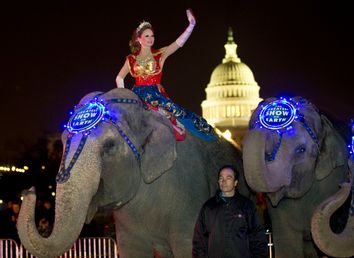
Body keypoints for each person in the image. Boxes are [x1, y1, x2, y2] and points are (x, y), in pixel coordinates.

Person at [116, 9, 215, 142]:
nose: (151, 39)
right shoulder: (131, 59)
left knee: (177, 114)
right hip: (137, 95)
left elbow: (178, 43)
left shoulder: (160, 54)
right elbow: (119, 78)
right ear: (139, 39)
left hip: (155, 95)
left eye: (152, 36)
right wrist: (123, 95)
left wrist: (191, 25)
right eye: (147, 36)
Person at [192, 165, 268, 258]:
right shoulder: (208, 207)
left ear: (235, 182)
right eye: (221, 178)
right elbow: (199, 240)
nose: (224, 181)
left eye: (228, 178)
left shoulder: (247, 206)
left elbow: (258, 237)